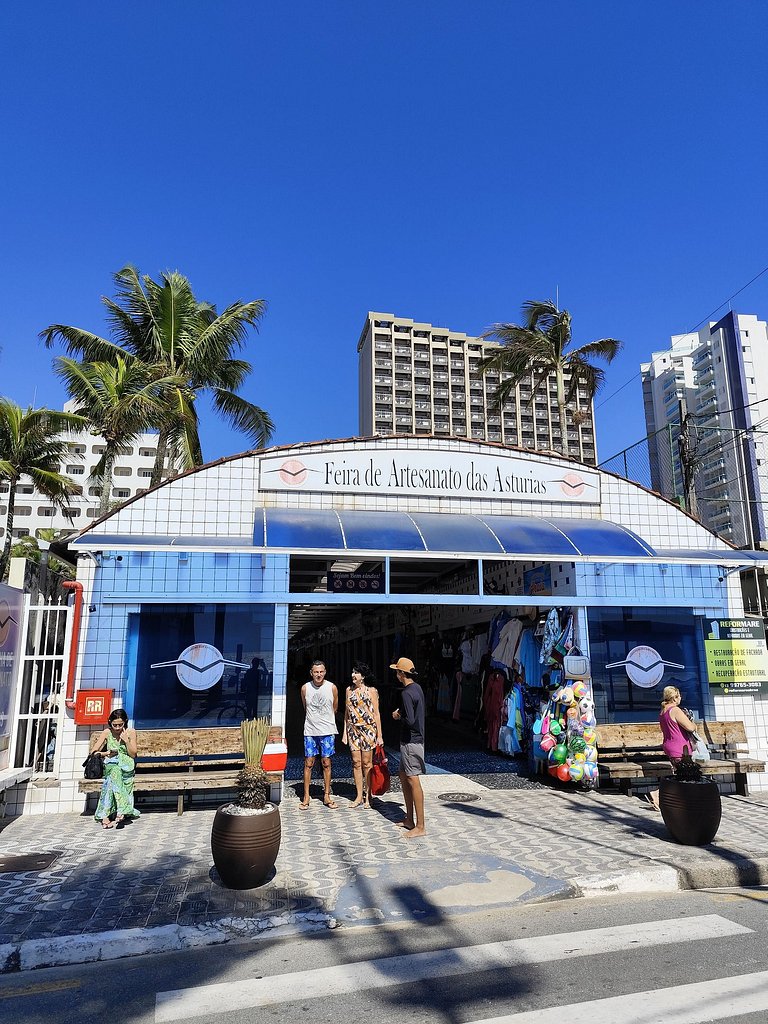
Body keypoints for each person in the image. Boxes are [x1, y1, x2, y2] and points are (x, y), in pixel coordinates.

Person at [644, 685, 698, 811]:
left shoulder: (663, 711)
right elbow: (690, 727)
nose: (681, 698)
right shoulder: (675, 710)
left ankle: (665, 797)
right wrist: (694, 725)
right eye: (679, 695)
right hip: (680, 748)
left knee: (680, 775)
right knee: (686, 776)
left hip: (670, 746)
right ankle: (658, 794)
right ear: (674, 697)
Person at [391, 656, 426, 838]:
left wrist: (398, 715)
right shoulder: (417, 688)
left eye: (397, 671)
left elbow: (410, 720)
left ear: (401, 674)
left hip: (411, 741)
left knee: (413, 780)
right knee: (404, 776)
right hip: (414, 740)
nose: (396, 675)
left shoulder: (405, 693)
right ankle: (409, 819)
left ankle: (420, 826)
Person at [90, 708, 141, 829]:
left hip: (126, 766)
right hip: (112, 764)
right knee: (113, 773)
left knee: (111, 779)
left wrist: (126, 741)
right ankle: (122, 810)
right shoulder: (107, 732)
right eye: (114, 725)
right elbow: (94, 752)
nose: (117, 728)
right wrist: (106, 753)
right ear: (110, 722)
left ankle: (105, 816)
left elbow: (133, 754)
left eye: (120, 725)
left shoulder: (130, 732)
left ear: (125, 722)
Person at [342, 661, 383, 808]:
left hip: (368, 729)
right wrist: (345, 733)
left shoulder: (371, 691)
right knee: (356, 763)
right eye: (352, 672)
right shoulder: (348, 690)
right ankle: (359, 795)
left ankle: (368, 795)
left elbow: (377, 714)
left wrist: (379, 735)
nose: (353, 675)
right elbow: (346, 713)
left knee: (367, 763)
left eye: (356, 672)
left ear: (363, 676)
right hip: (353, 730)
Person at [301, 660, 339, 809]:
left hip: (327, 730)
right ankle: (306, 796)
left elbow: (334, 708)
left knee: (326, 763)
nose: (319, 674)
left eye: (321, 671)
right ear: (311, 673)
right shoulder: (305, 688)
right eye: (316, 672)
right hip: (310, 731)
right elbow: (305, 708)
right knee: (308, 763)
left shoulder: (332, 688)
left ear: (325, 672)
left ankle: (327, 795)